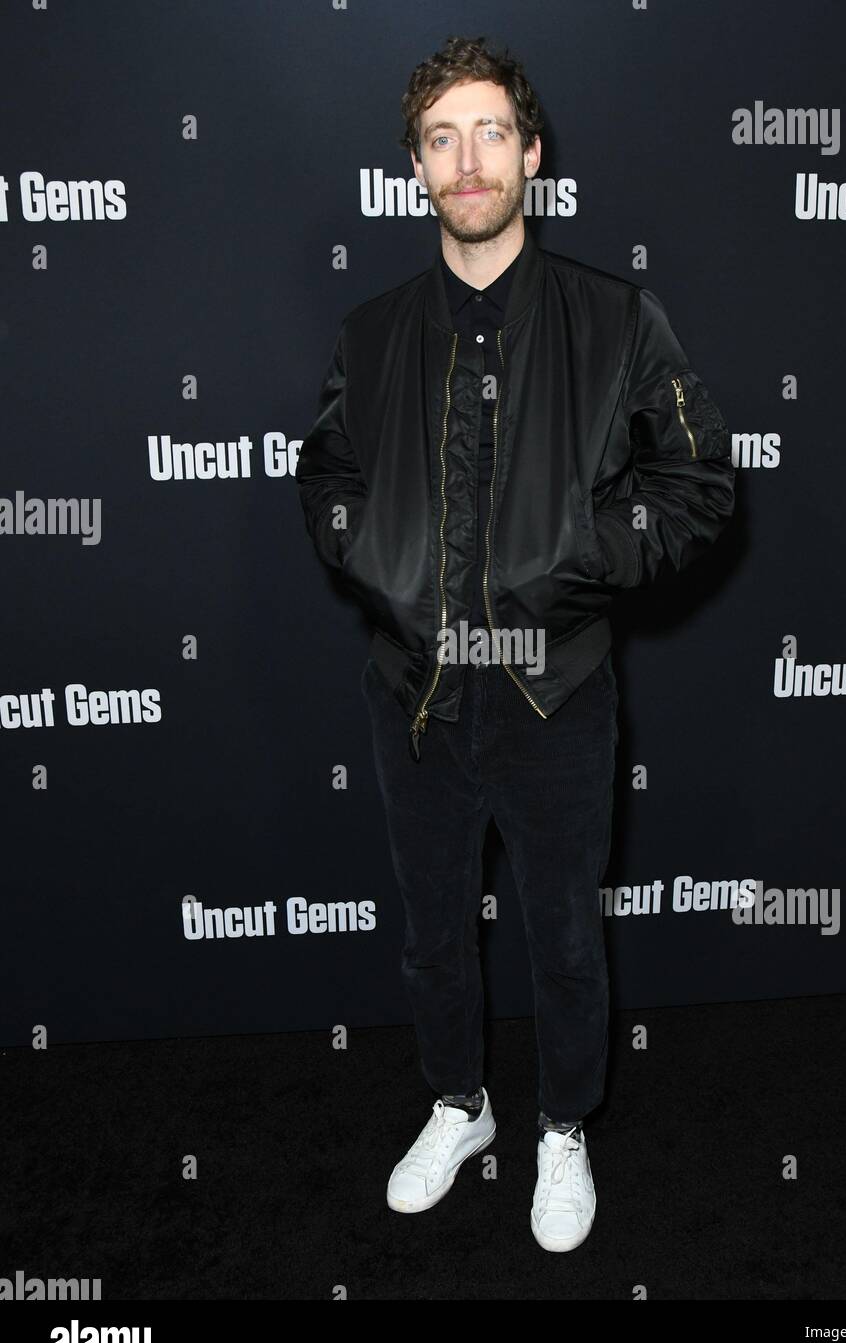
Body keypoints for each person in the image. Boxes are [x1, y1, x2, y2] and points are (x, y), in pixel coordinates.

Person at [295, 34, 735, 1253]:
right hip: (415, 697)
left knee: (562, 941)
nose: (468, 159)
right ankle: (459, 1105)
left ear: (531, 153)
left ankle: (560, 1129)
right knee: (432, 937)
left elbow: (697, 480)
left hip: (557, 697)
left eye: (490, 131)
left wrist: (570, 561)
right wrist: (373, 559)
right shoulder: (372, 331)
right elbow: (325, 474)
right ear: (416, 170)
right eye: (441, 138)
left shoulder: (613, 315)